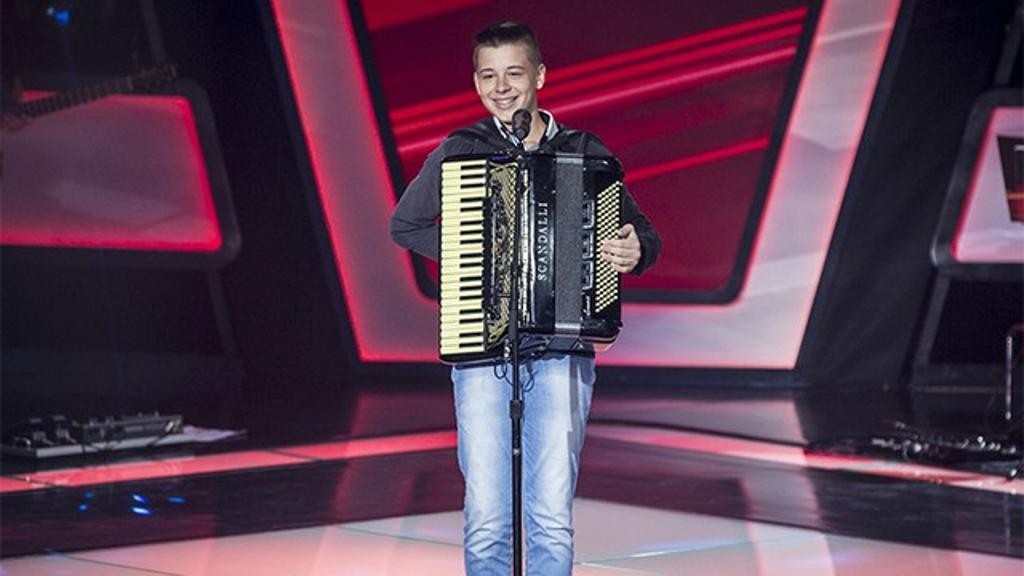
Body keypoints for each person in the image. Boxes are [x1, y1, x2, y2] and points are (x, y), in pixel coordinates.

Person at [390, 21, 660, 576]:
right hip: (483, 349)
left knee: (550, 516)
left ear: (539, 75)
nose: (501, 86)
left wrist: (638, 249)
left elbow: (643, 236)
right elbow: (406, 224)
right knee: (487, 516)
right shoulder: (463, 149)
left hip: (564, 352)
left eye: (513, 73)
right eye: (488, 75)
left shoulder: (584, 152)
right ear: (476, 82)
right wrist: (472, 247)